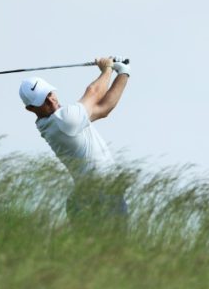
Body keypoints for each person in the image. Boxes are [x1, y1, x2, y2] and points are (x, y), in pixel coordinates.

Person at [18, 57, 130, 227]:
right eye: (43, 100)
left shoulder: (62, 122)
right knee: (114, 251)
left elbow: (103, 109)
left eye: (49, 94)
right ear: (31, 109)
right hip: (99, 198)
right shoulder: (65, 120)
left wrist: (123, 72)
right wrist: (107, 69)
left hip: (93, 197)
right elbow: (93, 91)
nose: (51, 100)